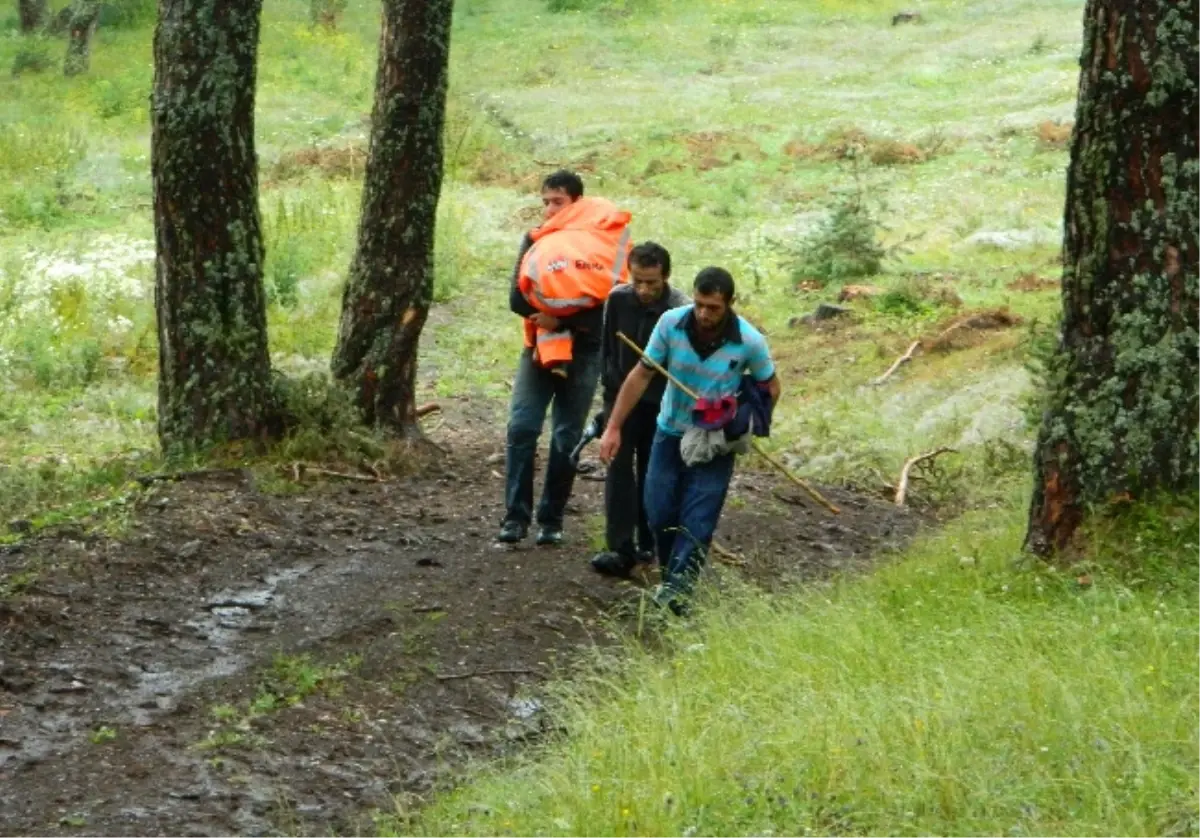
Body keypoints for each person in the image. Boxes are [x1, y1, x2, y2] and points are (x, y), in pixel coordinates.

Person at [598, 267, 780, 612]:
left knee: (698, 520)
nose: (703, 313)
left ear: (729, 304)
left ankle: (679, 592)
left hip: (715, 440)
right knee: (659, 512)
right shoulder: (670, 323)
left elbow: (770, 386)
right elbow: (640, 375)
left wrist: (747, 420)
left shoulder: (749, 342)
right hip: (669, 433)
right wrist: (613, 427)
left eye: (713, 307)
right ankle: (671, 577)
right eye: (699, 304)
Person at [499, 170, 628, 547]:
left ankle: (551, 519)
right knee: (522, 427)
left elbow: (611, 306)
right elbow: (516, 299)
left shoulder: (604, 243)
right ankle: (514, 518)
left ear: (577, 202)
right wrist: (552, 319)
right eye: (546, 202)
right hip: (539, 345)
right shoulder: (535, 239)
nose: (550, 209)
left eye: (558, 202)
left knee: (567, 435)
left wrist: (563, 316)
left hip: (587, 350)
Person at [590, 242, 688, 578]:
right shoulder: (618, 299)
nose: (644, 290)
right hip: (620, 397)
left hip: (660, 403)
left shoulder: (680, 310)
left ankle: (649, 544)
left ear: (666, 278)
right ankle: (619, 547)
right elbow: (606, 349)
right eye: (638, 281)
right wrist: (609, 407)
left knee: (652, 472)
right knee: (616, 468)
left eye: (652, 283)